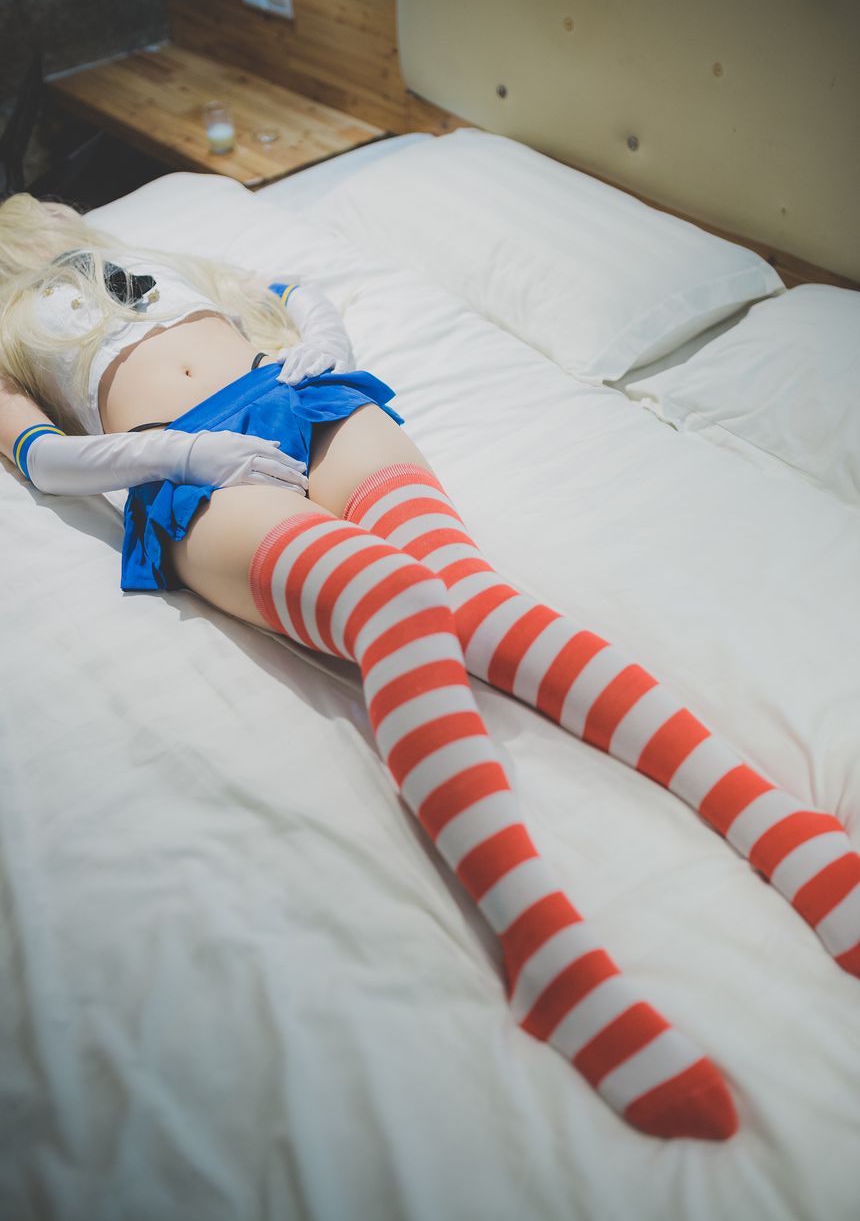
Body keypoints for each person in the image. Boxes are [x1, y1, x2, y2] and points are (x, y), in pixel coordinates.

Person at [2, 194, 857, 1143]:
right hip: (187, 471)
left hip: (304, 398)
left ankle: (773, 819)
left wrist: (321, 338)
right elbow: (40, 456)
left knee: (480, 599)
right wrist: (178, 450)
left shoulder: (157, 258)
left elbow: (286, 288)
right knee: (394, 599)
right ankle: (545, 950)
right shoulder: (7, 338)